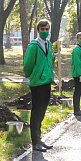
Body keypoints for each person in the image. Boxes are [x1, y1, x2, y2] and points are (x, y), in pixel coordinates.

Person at [23, 19, 55, 152]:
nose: (45, 32)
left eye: (47, 29)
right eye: (42, 30)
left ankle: (39, 138)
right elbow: (28, 65)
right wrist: (33, 75)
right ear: (38, 30)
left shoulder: (49, 44)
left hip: (47, 81)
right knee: (36, 112)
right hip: (37, 83)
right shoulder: (34, 46)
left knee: (42, 111)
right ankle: (35, 141)